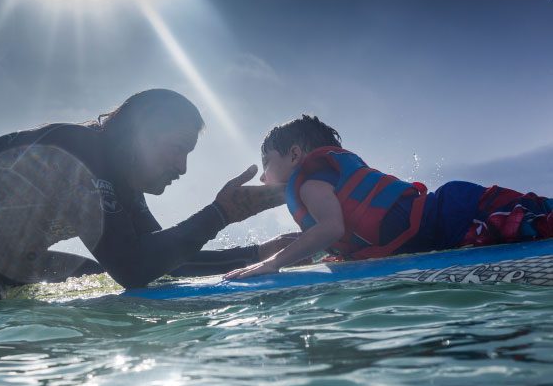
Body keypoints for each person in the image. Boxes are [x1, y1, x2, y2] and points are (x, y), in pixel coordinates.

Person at [0, 89, 290, 308]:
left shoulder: (117, 179)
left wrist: (261, 253)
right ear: (140, 135)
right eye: (177, 148)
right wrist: (219, 213)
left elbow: (162, 260)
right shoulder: (77, 154)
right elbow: (133, 268)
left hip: (8, 263)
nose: (182, 168)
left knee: (90, 276)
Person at [225, 115, 553, 280]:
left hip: (456, 214)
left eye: (267, 162)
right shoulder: (324, 179)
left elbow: (331, 229)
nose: (264, 176)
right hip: (453, 215)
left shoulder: (310, 183)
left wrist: (273, 263)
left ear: (295, 154)